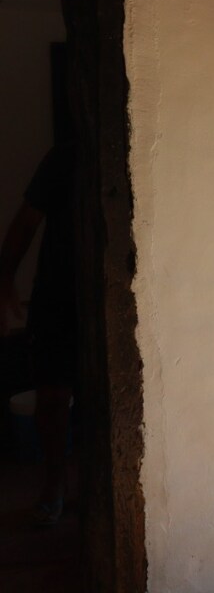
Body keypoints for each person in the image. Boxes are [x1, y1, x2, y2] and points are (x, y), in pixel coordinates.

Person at [0, 143, 76, 526]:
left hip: (112, 288)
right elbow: (28, 220)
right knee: (51, 396)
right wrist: (5, 277)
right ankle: (55, 482)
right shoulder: (66, 155)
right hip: (58, 291)